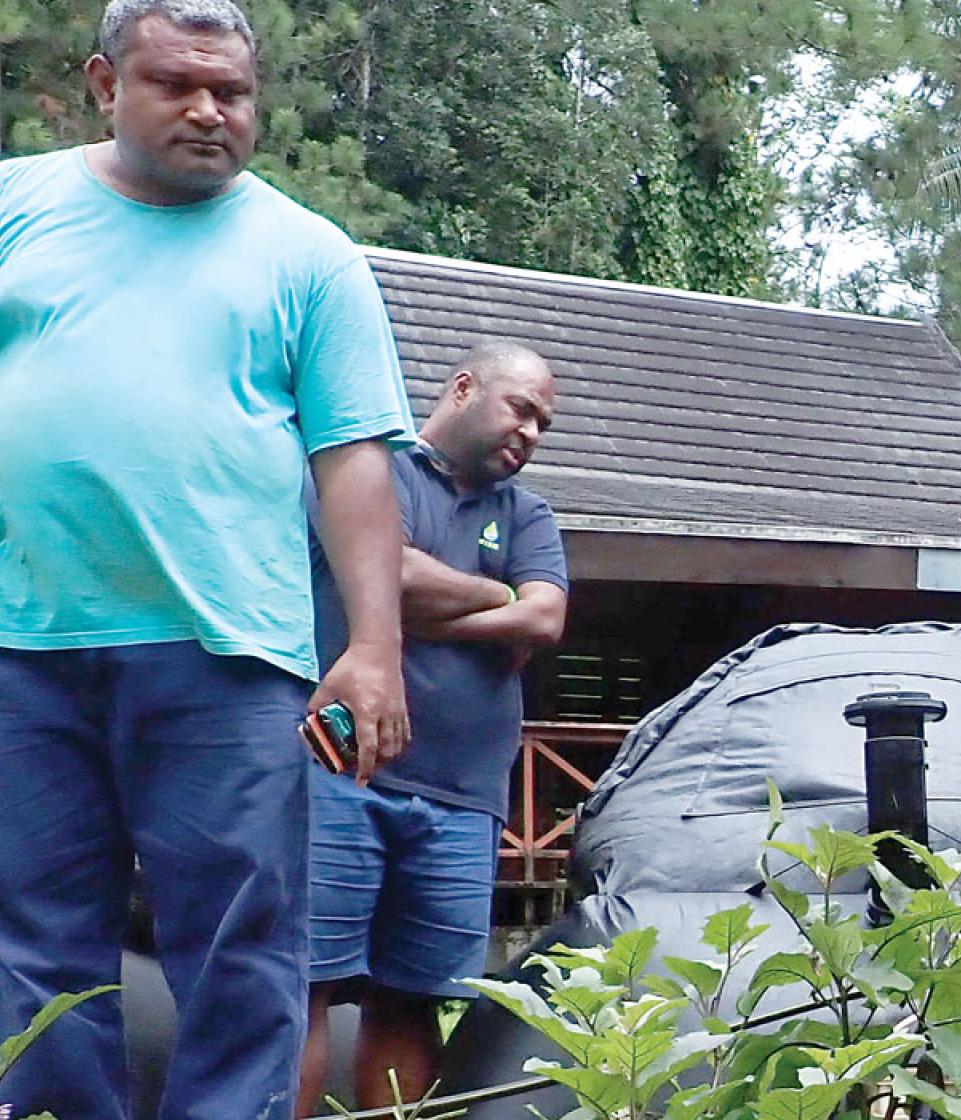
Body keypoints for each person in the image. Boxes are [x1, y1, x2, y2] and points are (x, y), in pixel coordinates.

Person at [0, 1, 415, 1116]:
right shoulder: (13, 205)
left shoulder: (310, 257)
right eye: (175, 85)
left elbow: (353, 466)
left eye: (229, 92)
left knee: (240, 950)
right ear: (103, 84)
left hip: (227, 657)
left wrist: (374, 648)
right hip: (24, 647)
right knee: (34, 946)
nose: (206, 111)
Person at [298, 342, 568, 1114]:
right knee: (304, 981)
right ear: (462, 388)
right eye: (521, 408)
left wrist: (433, 596)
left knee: (414, 999)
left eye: (543, 423)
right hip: (344, 771)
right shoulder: (375, 472)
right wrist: (495, 595)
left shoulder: (529, 512)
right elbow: (384, 573)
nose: (532, 432)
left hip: (464, 801)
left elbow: (546, 615)